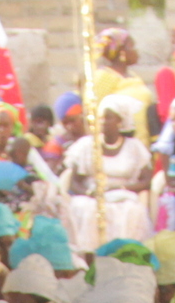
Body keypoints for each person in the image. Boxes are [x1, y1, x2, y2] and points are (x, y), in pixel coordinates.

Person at [61, 102, 155, 255]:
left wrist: (122, 188)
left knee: (132, 210)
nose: (103, 122)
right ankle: (90, 256)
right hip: (91, 194)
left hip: (123, 194)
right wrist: (90, 192)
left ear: (120, 121)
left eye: (108, 118)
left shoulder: (134, 147)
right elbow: (74, 182)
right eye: (100, 118)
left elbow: (146, 181)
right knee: (87, 209)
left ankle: (123, 255)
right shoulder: (86, 145)